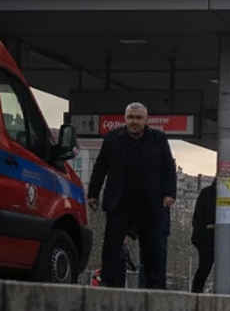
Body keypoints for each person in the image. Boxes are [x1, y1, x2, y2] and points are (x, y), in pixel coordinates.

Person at [87, 102, 177, 289]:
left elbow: (168, 167)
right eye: (130, 117)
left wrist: (170, 193)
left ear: (146, 119)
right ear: (125, 118)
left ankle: (155, 286)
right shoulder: (112, 138)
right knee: (112, 244)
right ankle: (109, 282)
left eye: (138, 118)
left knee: (153, 247)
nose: (134, 121)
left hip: (149, 203)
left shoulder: (158, 139)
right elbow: (100, 167)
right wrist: (93, 193)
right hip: (119, 202)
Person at [190, 182, 217, 292]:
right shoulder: (207, 193)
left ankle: (196, 291)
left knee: (205, 266)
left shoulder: (206, 193)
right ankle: (196, 291)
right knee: (205, 266)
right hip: (206, 237)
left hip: (206, 237)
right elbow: (198, 218)